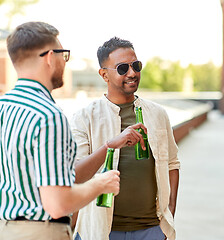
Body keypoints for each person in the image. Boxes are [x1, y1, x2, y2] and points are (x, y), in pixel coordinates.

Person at [0, 22, 122, 240]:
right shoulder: (49, 116)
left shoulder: (4, 107)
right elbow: (58, 204)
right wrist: (101, 183)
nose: (65, 62)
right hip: (41, 233)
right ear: (49, 57)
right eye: (63, 55)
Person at [71, 37, 180, 240]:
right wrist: (111, 146)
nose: (132, 73)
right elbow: (76, 174)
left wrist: (170, 213)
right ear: (104, 74)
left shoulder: (158, 114)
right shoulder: (84, 118)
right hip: (100, 232)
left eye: (136, 66)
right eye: (122, 68)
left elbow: (173, 164)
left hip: (152, 230)